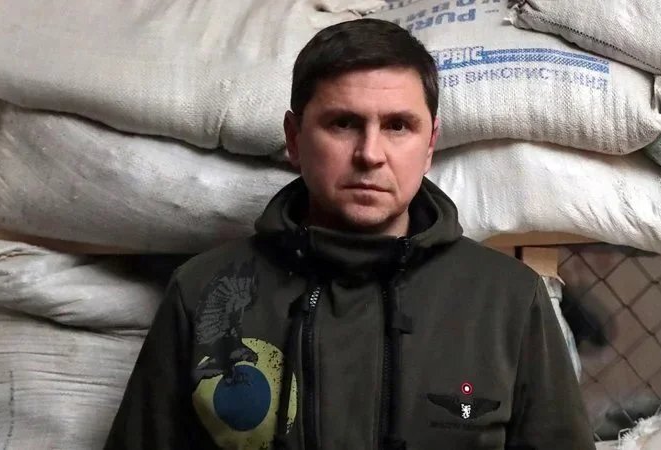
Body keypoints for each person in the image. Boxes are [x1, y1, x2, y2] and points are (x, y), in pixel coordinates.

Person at [105, 18, 594, 450]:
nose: (370, 154)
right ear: (295, 139)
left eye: (397, 126)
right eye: (343, 123)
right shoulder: (202, 291)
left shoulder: (509, 300)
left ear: (429, 145)